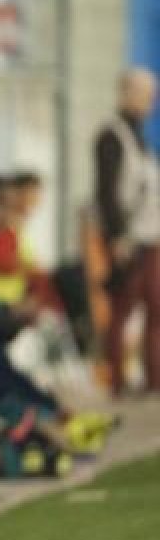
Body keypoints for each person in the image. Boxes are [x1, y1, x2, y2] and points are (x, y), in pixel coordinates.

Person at [95, 69, 160, 396]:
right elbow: (106, 192)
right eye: (146, 93)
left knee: (156, 307)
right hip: (129, 239)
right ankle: (117, 380)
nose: (151, 101)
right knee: (123, 308)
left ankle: (154, 379)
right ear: (126, 93)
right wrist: (117, 236)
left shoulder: (140, 139)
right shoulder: (112, 136)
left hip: (151, 236)